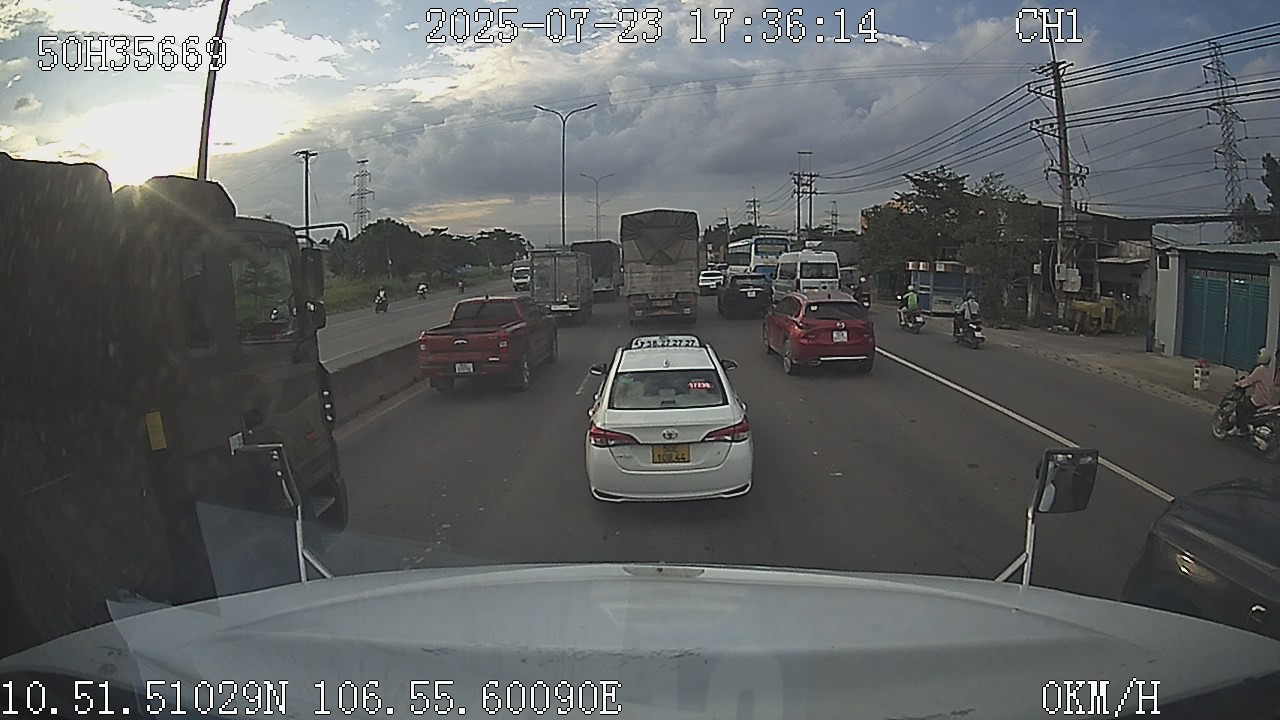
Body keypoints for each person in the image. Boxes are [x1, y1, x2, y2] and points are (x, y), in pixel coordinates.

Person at [1233, 347, 1277, 435]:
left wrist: (1238, 384)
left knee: (1240, 406)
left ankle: (1241, 429)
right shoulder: (1269, 370)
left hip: (1258, 401)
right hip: (1266, 400)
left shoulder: (1259, 370)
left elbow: (1249, 380)